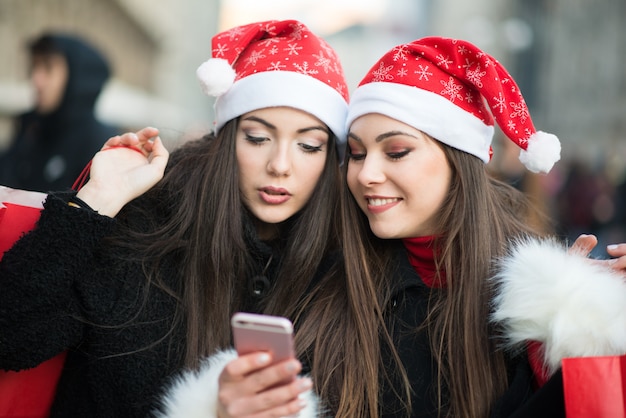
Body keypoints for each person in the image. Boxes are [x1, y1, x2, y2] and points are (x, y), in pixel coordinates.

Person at [157, 37, 626, 418]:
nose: (365, 174)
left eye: (396, 151)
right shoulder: (317, 283)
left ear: (458, 161)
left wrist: (590, 339)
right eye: (357, 153)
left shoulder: (538, 307)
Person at [0, 20, 350, 417]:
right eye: (257, 137)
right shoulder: (146, 229)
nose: (280, 165)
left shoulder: (342, 270)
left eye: (309, 145)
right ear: (226, 138)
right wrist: (96, 201)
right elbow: (11, 335)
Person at [0, 32, 119, 192]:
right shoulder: (30, 128)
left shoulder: (100, 144)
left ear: (77, 78)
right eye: (35, 67)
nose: (36, 79)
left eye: (48, 69)